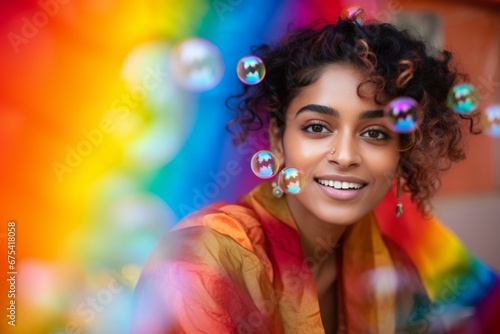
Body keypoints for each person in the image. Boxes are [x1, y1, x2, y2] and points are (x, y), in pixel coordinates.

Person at [130, 16, 500, 333]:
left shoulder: (395, 270)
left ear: (402, 154)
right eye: (318, 127)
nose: (345, 156)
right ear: (278, 138)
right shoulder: (201, 263)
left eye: (375, 133)